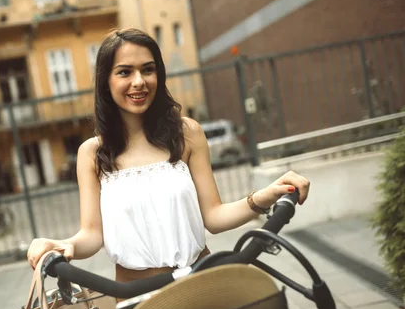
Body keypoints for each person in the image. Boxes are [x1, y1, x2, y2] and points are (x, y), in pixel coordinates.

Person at [27, 28, 310, 287]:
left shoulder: (187, 134)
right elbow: (92, 234)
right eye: (125, 72)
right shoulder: (91, 153)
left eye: (147, 70)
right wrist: (63, 245)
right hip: (135, 294)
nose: (139, 82)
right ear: (106, 82)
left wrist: (266, 195)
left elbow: (213, 216)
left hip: (202, 277)